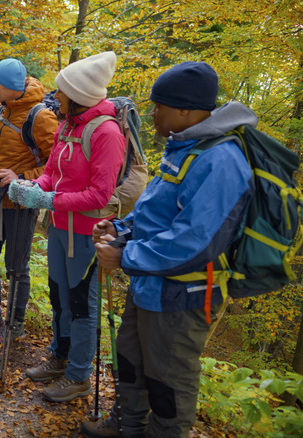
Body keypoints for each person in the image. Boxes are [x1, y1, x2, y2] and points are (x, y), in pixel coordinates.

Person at [81, 62, 255, 437]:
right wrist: (120, 229)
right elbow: (157, 215)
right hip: (149, 284)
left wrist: (124, 256)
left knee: (167, 382)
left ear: (185, 110)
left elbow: (197, 241)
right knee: (130, 360)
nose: (153, 113)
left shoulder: (221, 161)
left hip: (183, 296)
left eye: (159, 105)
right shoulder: (184, 147)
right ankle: (128, 425)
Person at [9, 51, 125, 402]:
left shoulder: (107, 133)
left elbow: (100, 194)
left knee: (80, 305)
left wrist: (49, 200)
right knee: (59, 296)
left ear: (78, 96)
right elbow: (51, 174)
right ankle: (59, 359)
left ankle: (78, 377)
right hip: (59, 228)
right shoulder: (67, 126)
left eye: (61, 92)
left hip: (88, 233)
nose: (55, 98)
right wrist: (34, 187)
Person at [0, 58, 58, 347]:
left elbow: (58, 166)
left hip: (20, 203)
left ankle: (15, 323)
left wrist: (22, 176)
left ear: (11, 87)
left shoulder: (41, 117)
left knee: (16, 267)